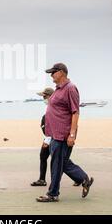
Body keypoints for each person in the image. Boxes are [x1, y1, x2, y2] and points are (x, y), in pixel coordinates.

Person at [36, 63, 94, 202]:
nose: (51, 75)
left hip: (63, 134)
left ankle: (53, 194)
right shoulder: (58, 89)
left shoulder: (70, 88)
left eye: (53, 72)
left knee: (57, 164)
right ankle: (83, 178)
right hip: (55, 134)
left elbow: (75, 112)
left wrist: (72, 134)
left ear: (62, 72)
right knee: (62, 162)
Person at [31, 87, 82, 188]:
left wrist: (71, 136)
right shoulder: (49, 110)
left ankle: (79, 178)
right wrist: (47, 138)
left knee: (62, 162)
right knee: (45, 157)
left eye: (45, 96)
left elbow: (65, 123)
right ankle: (42, 180)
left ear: (51, 96)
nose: (43, 99)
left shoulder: (59, 107)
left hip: (59, 138)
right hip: (52, 137)